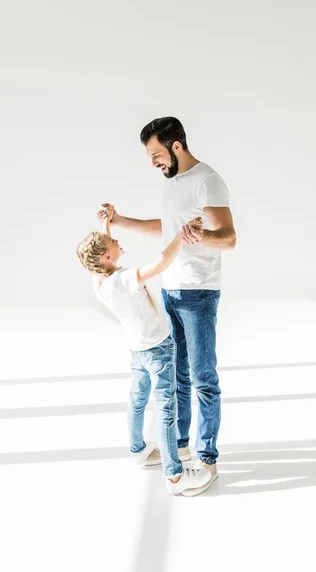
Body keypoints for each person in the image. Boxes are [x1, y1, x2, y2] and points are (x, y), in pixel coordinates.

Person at [98, 117, 236, 494]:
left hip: (199, 291)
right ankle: (179, 445)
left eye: (157, 153)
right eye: (150, 157)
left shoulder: (208, 180)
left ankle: (208, 459)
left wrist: (203, 234)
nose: (155, 162)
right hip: (170, 289)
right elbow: (167, 227)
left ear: (177, 146)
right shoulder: (173, 184)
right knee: (177, 376)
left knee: (204, 377)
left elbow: (229, 238)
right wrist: (121, 220)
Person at [76, 205, 212, 496]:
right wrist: (180, 234)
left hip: (137, 349)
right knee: (166, 410)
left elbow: (101, 249)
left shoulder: (98, 280)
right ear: (107, 257)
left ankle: (138, 449)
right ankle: (175, 476)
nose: (116, 240)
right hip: (158, 350)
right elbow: (161, 263)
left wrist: (107, 224)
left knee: (137, 399)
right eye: (113, 242)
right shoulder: (125, 280)